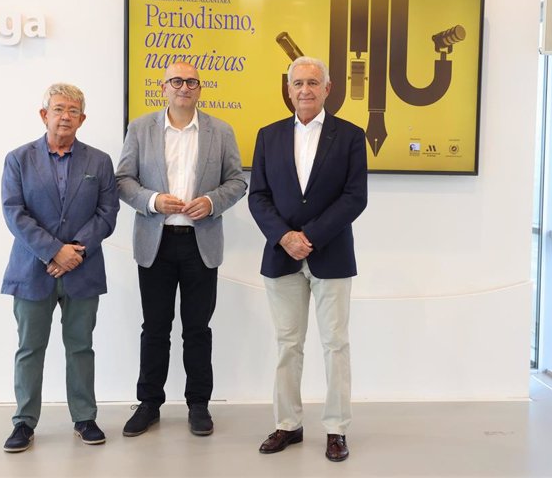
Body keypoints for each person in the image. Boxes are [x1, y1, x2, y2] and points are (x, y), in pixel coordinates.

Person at [116, 61, 247, 437]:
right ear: (164, 87)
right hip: (155, 243)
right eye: (177, 81)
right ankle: (149, 404)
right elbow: (124, 180)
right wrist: (154, 200)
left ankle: (199, 405)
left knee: (197, 329)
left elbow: (237, 182)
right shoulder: (141, 128)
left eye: (191, 81)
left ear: (199, 88)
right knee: (154, 328)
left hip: (199, 243)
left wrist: (212, 201)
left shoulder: (220, 131)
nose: (184, 87)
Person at [248, 56, 368, 462]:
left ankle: (336, 428)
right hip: (280, 257)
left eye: (313, 83)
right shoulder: (268, 136)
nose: (305, 90)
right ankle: (287, 425)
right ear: (288, 88)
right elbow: (258, 196)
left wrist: (309, 237)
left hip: (331, 255)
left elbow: (355, 197)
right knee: (288, 345)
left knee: (336, 344)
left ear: (327, 88)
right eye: (297, 83)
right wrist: (285, 237)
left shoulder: (350, 136)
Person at [0, 83, 120, 452]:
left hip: (82, 271)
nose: (65, 116)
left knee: (81, 346)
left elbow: (108, 212)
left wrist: (75, 251)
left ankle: (84, 418)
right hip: (33, 270)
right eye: (58, 109)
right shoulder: (18, 159)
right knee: (29, 348)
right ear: (44, 115)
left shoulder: (99, 161)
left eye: (73, 110)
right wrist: (54, 252)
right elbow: (14, 212)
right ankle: (23, 422)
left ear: (82, 119)